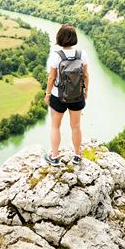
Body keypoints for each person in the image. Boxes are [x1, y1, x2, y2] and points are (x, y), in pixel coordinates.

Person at [44, 24, 89, 167]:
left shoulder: (56, 56)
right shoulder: (82, 54)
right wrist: (86, 91)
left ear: (60, 38)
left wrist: (47, 94)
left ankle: (55, 157)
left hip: (58, 97)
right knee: (76, 126)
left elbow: (51, 78)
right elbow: (86, 75)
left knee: (55, 126)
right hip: (77, 96)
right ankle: (77, 156)